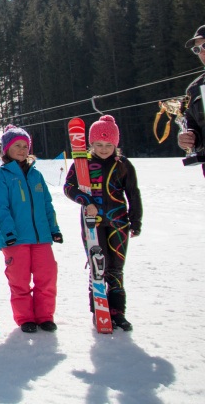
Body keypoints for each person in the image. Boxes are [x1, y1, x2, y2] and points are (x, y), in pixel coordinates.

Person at [63, 114, 143, 331]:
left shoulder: (123, 165)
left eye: (108, 145)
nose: (104, 149)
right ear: (91, 143)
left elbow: (133, 193)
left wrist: (136, 220)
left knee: (116, 267)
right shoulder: (84, 164)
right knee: (99, 265)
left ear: (115, 144)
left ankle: (118, 312)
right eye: (98, 144)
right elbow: (69, 187)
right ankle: (99, 309)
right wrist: (86, 201)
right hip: (93, 222)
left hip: (119, 222)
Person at [0, 125, 63, 333]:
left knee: (47, 277)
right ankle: (25, 318)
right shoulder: (1, 176)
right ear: (6, 149)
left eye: (25, 146)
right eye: (17, 146)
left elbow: (47, 204)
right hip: (16, 239)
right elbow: (1, 207)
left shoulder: (36, 175)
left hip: (41, 237)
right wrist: (8, 233)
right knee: (19, 280)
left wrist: (54, 229)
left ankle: (45, 316)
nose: (22, 150)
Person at [178, 24, 205, 176]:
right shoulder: (194, 89)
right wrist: (189, 138)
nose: (202, 52)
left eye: (204, 46)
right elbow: (193, 126)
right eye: (197, 49)